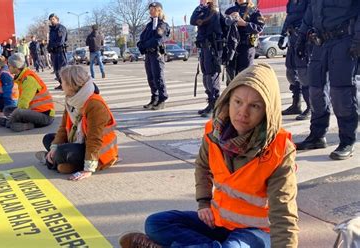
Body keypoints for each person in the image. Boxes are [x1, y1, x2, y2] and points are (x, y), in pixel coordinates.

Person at [119, 63, 299, 248]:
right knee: (155, 223)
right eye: (238, 102)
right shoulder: (215, 132)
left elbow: (283, 214)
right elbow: (203, 166)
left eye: (254, 106)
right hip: (219, 220)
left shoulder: (279, 150)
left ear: (267, 112)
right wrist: (204, 202)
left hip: (255, 231)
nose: (243, 112)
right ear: (228, 100)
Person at [294, 1, 360, 160]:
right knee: (315, 89)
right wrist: (301, 38)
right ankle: (317, 136)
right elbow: (310, 13)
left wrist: (358, 40)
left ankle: (347, 140)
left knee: (341, 92)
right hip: (320, 43)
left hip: (345, 40)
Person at [35, 65, 118, 181]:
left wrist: (88, 169)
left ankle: (53, 161)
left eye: (62, 82)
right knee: (48, 139)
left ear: (71, 85)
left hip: (99, 153)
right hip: (78, 142)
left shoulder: (95, 104)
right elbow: (63, 127)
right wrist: (54, 148)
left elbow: (95, 138)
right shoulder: (72, 100)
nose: (61, 85)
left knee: (62, 152)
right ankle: (57, 161)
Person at [0, 53, 55, 132]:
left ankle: (9, 123)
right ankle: (13, 122)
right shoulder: (21, 77)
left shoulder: (28, 79)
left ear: (16, 66)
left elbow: (23, 103)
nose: (7, 67)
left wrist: (15, 114)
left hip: (45, 116)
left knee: (18, 114)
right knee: (7, 109)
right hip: (34, 111)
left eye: (9, 65)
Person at [278, 0, 311, 121]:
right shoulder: (291, 2)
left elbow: (310, 18)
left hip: (304, 39)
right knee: (291, 73)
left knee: (304, 75)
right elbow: (288, 18)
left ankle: (310, 107)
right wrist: (282, 35)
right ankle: (296, 105)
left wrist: (303, 37)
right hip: (292, 39)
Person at [191, 0, 223, 117]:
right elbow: (192, 20)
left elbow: (216, 30)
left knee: (212, 74)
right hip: (204, 47)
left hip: (212, 47)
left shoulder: (215, 12)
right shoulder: (203, 10)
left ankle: (216, 103)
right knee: (205, 75)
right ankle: (211, 101)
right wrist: (200, 6)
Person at [137, 2, 170, 110]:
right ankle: (154, 97)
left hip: (157, 54)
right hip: (149, 54)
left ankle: (162, 98)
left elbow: (157, 39)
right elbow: (142, 37)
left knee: (158, 77)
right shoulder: (149, 25)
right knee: (150, 77)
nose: (151, 11)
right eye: (150, 9)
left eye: (153, 9)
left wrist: (145, 44)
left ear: (159, 10)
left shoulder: (162, 25)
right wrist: (141, 45)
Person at [224, 0, 264, 83]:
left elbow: (260, 27)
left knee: (245, 77)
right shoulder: (230, 11)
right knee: (231, 77)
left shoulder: (253, 10)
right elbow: (223, 29)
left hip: (246, 48)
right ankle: (232, 95)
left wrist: (245, 24)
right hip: (231, 48)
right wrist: (228, 21)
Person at [47, 13, 68, 90]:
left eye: (53, 19)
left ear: (57, 20)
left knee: (62, 69)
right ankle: (61, 84)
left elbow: (61, 41)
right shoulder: (52, 30)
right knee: (56, 70)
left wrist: (53, 46)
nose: (52, 21)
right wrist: (49, 47)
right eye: (50, 19)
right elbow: (50, 40)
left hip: (60, 51)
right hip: (54, 52)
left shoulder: (61, 28)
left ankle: (67, 85)